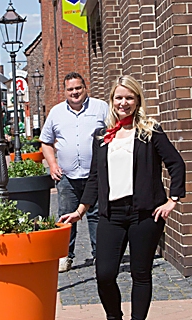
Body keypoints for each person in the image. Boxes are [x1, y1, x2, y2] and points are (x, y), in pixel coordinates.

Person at [59, 75, 185, 320]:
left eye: (129, 97)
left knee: (140, 273)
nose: (123, 102)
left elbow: (176, 164)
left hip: (145, 215)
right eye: (119, 97)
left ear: (137, 101)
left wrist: (173, 200)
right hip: (111, 215)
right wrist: (81, 209)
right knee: (104, 274)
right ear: (112, 100)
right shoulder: (102, 136)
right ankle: (114, 317)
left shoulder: (149, 131)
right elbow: (94, 177)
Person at [41, 72, 108, 272]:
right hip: (66, 176)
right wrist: (52, 164)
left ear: (85, 87)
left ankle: (100, 255)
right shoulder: (56, 112)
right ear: (65, 91)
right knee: (66, 216)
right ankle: (65, 256)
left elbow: (114, 132)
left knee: (97, 215)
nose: (75, 92)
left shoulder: (100, 108)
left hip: (94, 176)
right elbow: (45, 141)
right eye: (70, 89)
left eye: (78, 88)